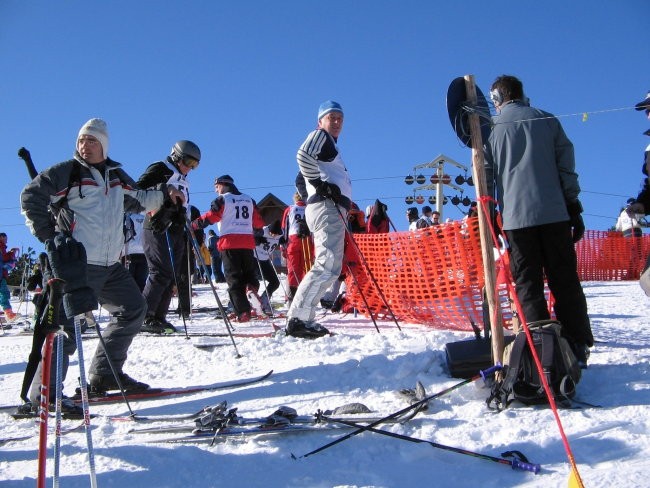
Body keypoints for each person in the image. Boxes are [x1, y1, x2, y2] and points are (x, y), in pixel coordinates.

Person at [20, 118, 185, 402]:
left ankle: (105, 373)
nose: (85, 145)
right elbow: (30, 196)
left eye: (92, 140)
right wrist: (50, 237)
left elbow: (139, 198)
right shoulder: (67, 172)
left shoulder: (115, 176)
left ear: (104, 145)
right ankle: (45, 393)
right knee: (68, 327)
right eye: (82, 140)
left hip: (111, 265)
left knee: (134, 308)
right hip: (78, 265)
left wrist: (166, 196)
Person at [483, 75, 593, 368]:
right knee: (564, 279)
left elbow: (485, 175)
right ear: (522, 94)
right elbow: (565, 164)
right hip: (555, 213)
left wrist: (492, 215)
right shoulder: (546, 119)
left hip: (516, 220)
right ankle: (578, 344)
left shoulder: (491, 131)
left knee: (527, 283)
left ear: (496, 99)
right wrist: (573, 204)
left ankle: (539, 349)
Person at [286, 100, 352, 338]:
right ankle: (298, 319)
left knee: (331, 267)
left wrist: (313, 191)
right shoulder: (320, 136)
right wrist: (319, 186)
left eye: (340, 118)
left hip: (329, 207)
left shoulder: (329, 145)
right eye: (331, 117)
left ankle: (303, 317)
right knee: (326, 265)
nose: (336, 122)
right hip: (327, 208)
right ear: (320, 121)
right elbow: (302, 155)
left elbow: (298, 178)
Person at [136, 140, 200, 334]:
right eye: (188, 162)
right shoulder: (161, 168)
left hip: (176, 227)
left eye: (194, 165)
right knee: (160, 271)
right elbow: (138, 188)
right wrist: (165, 190)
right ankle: (144, 316)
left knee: (171, 273)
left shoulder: (182, 176)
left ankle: (158, 317)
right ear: (176, 155)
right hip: (157, 225)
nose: (190, 168)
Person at [192, 175, 265, 322]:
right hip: (247, 243)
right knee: (249, 274)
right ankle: (252, 288)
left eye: (217, 186)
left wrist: (194, 224)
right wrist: (257, 234)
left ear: (224, 185)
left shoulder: (223, 199)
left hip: (229, 243)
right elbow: (258, 222)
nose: (216, 190)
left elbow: (211, 217)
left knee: (234, 279)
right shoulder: (249, 199)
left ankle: (243, 312)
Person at [281, 192, 313, 303]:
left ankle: (292, 295)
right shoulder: (310, 209)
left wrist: (283, 246)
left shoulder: (290, 209)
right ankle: (306, 294)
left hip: (293, 239)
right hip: (307, 239)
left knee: (293, 268)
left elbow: (284, 227)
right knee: (307, 267)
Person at [254, 220, 283, 315]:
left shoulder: (280, 234)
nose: (273, 235)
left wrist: (283, 241)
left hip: (265, 260)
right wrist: (257, 239)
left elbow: (284, 238)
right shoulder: (262, 230)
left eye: (276, 234)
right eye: (272, 233)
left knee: (275, 282)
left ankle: (264, 300)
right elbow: (251, 236)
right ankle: (248, 303)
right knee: (253, 282)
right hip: (254, 258)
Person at [122, 212, 148, 292]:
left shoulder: (126, 215)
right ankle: (140, 302)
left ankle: (129, 303)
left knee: (128, 284)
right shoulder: (147, 216)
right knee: (141, 284)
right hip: (144, 253)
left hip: (129, 253)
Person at [0, 233, 19, 322]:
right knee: (4, 293)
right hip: (0, 275)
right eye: (6, 238)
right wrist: (12, 254)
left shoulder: (2, 247)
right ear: (2, 237)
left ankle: (8, 313)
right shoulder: (1, 246)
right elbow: (3, 261)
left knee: (3, 293)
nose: (7, 240)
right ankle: (9, 314)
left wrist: (10, 253)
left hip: (2, 274)